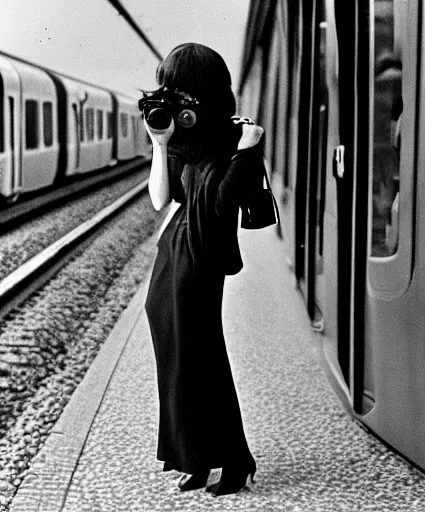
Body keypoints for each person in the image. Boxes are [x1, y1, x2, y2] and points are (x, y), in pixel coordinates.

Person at [143, 43, 262, 497]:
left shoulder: (237, 139)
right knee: (176, 365)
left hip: (203, 259)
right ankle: (194, 459)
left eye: (181, 87)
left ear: (203, 90)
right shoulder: (181, 139)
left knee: (204, 361)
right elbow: (160, 199)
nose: (174, 97)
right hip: (172, 257)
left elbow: (224, 205)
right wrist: (160, 145)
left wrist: (248, 153)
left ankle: (234, 460)